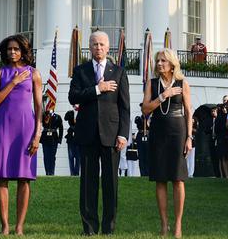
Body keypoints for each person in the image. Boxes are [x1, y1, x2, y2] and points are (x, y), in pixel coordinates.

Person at [68, 31, 130, 236]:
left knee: (111, 184)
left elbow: (124, 107)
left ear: (108, 47)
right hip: (87, 134)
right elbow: (73, 96)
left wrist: (123, 134)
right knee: (88, 184)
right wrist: (97, 88)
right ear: (89, 47)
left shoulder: (119, 72)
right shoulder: (80, 71)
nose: (98, 48)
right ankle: (90, 228)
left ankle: (109, 228)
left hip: (112, 135)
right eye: (94, 44)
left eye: (102, 44)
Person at [0, 34, 43, 235]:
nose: (13, 52)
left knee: (23, 178)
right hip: (3, 128)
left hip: (26, 128)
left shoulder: (34, 73)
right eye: (9, 49)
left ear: (23, 51)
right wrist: (13, 82)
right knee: (1, 177)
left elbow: (38, 107)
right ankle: (5, 225)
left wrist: (37, 135)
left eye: (16, 49)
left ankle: (19, 226)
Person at [140, 49, 192, 239]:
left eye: (163, 60)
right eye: (158, 60)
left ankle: (178, 226)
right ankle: (164, 225)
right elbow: (145, 108)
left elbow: (188, 111)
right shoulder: (152, 84)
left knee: (178, 179)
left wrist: (189, 137)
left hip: (178, 131)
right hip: (158, 131)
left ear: (172, 63)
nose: (160, 63)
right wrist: (164, 95)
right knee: (160, 179)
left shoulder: (182, 83)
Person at [40, 109, 63, 176]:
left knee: (52, 156)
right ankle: (47, 172)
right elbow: (41, 122)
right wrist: (45, 115)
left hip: (54, 138)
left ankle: (52, 172)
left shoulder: (57, 117)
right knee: (46, 156)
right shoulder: (44, 116)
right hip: (45, 138)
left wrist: (59, 139)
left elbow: (61, 128)